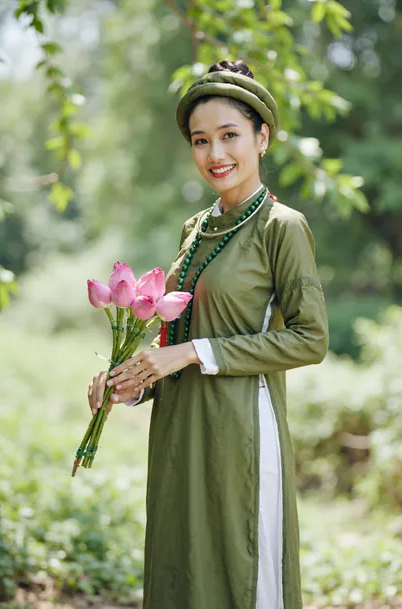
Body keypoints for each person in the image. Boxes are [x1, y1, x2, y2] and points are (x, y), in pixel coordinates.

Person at [88, 59, 329, 609]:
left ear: (261, 137)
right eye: (201, 140)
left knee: (237, 569)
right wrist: (130, 381)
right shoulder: (194, 230)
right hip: (178, 430)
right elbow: (175, 339)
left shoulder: (282, 228)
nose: (215, 154)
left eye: (229, 136)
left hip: (240, 428)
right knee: (180, 567)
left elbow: (310, 339)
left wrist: (194, 353)